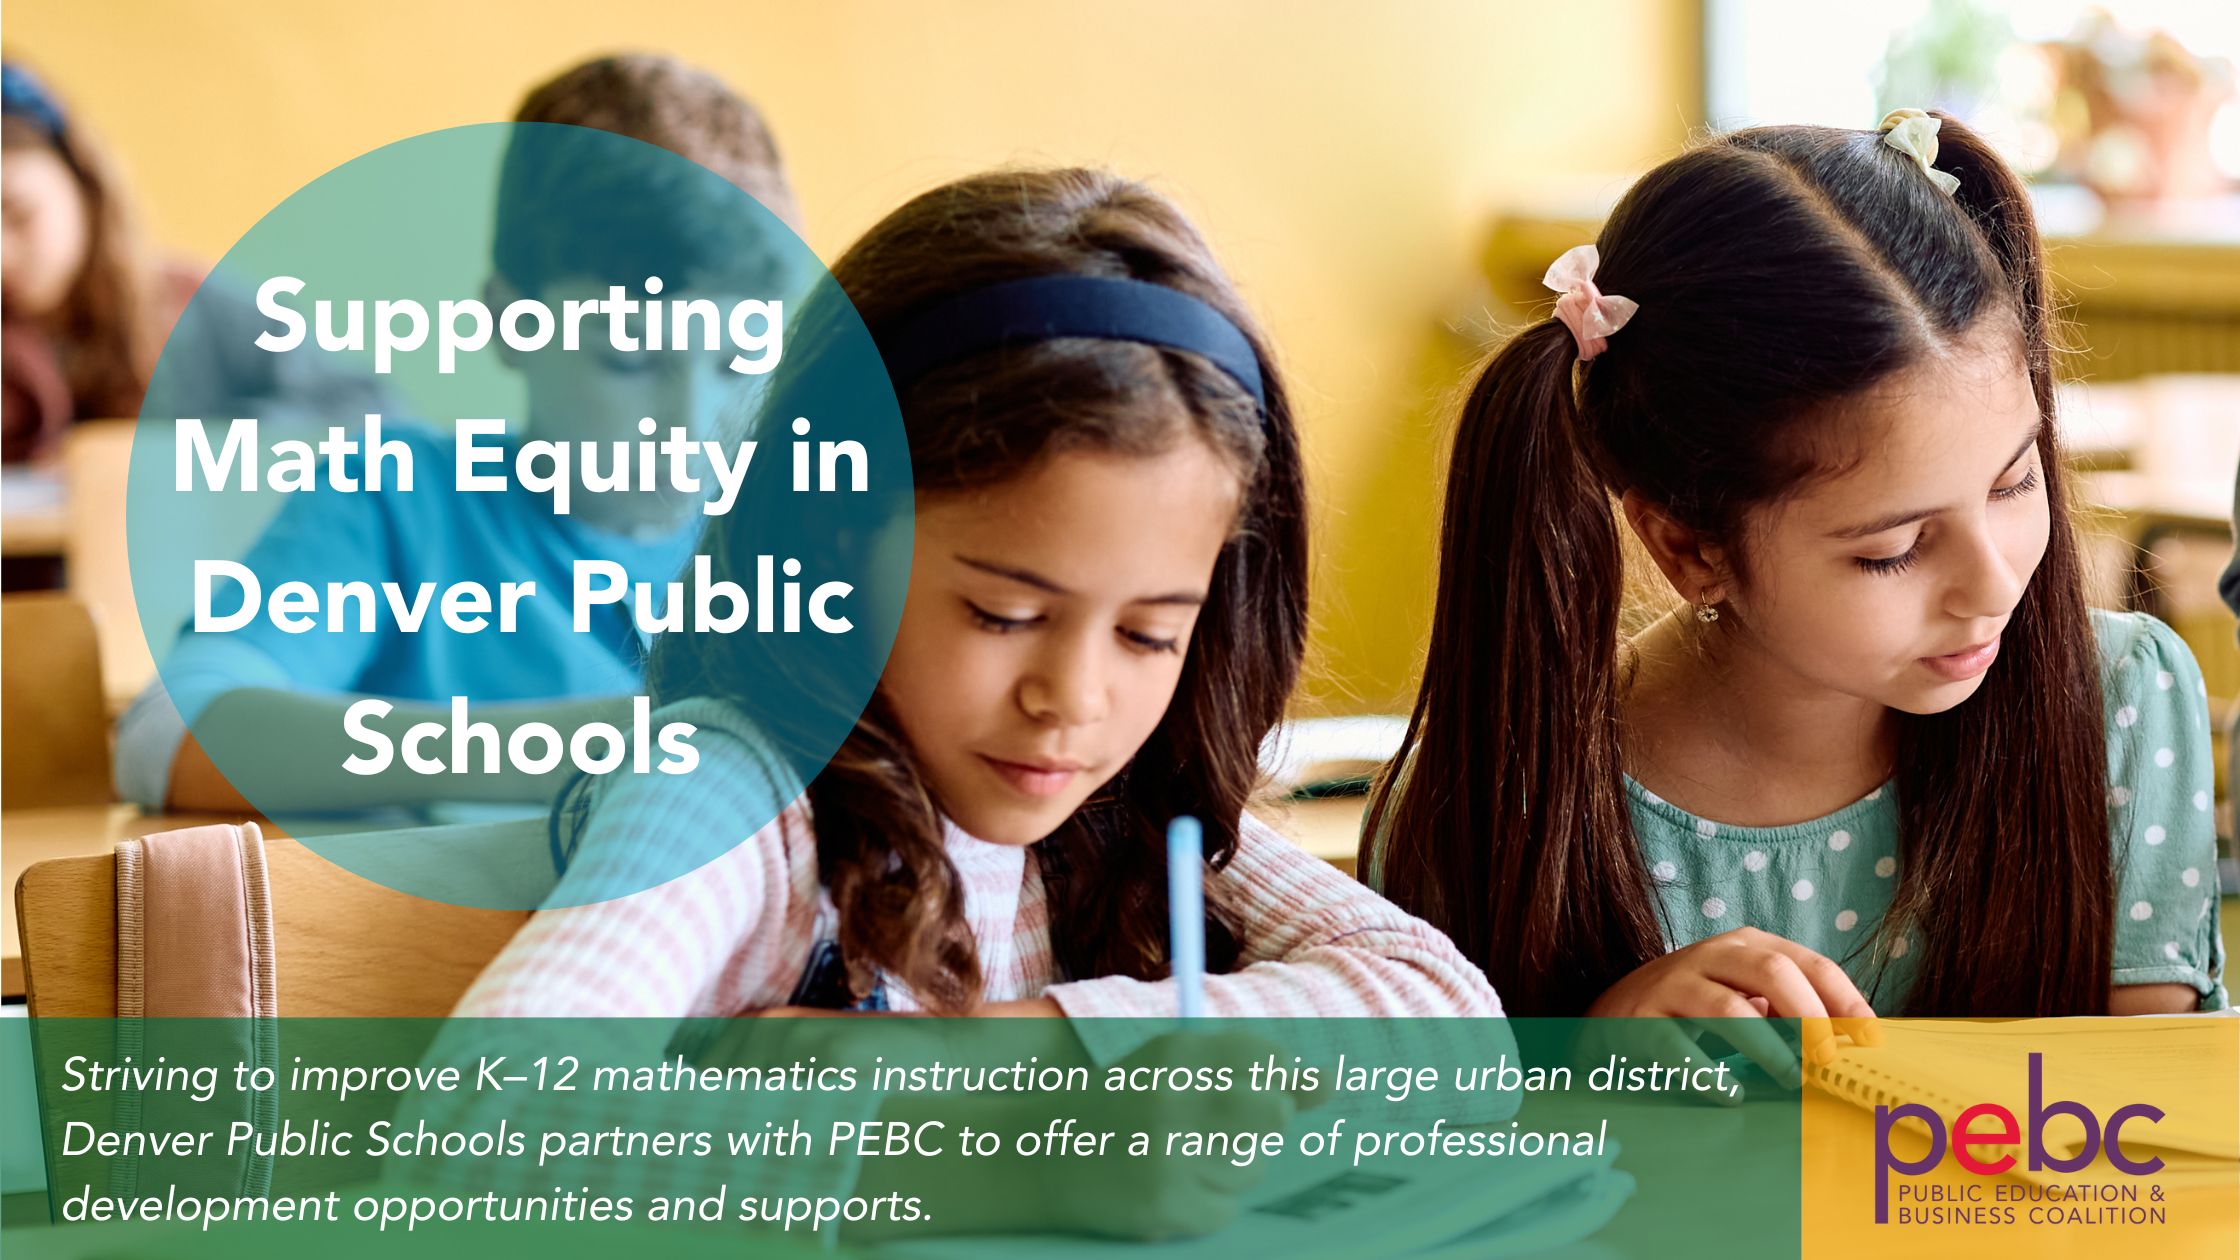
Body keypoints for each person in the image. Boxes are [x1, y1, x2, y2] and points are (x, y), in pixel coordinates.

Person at [446, 168, 1505, 1239]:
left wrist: (993, 1047)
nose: (1071, 699)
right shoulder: (735, 794)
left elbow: (1446, 1013)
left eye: (1148, 634)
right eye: (1002, 613)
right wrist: (1008, 1171)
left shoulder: (1116, 810)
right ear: (827, 543)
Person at [1366, 110, 2227, 1033]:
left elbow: (2155, 1144)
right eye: (1891, 550)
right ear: (1690, 548)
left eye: (2015, 482)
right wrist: (1594, 1062)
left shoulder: (2121, 704)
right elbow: (1433, 1143)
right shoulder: (1502, 799)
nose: (1994, 586)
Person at [114, 53, 802, 814]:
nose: (692, 422)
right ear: (511, 321)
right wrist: (591, 746)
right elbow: (167, 737)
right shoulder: (396, 496)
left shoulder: (792, 533)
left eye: (742, 359)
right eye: (628, 358)